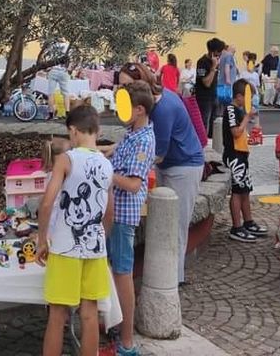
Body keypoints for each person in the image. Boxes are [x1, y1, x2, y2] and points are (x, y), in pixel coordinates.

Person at [37, 105, 114, 356]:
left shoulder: (66, 159)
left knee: (57, 314)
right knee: (90, 313)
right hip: (95, 247)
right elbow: (109, 212)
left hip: (64, 246)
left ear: (73, 130)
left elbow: (46, 203)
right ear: (97, 130)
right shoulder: (106, 164)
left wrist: (42, 240)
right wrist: (102, 239)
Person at [117, 62, 203, 285]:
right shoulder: (149, 104)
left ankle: (172, 281)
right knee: (165, 222)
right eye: (120, 86)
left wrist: (123, 167)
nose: (122, 91)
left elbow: (157, 155)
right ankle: (164, 276)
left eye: (127, 86)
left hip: (184, 166)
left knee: (176, 224)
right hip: (169, 165)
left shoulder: (163, 108)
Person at [104, 80, 156, 356]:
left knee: (123, 274)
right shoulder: (131, 133)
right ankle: (114, 327)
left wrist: (103, 172)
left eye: (124, 105)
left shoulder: (144, 141)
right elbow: (114, 152)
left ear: (139, 110)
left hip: (124, 216)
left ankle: (127, 342)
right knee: (113, 271)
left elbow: (134, 184)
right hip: (113, 212)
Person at [223, 78, 266, 241]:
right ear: (239, 96)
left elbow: (242, 134)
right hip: (233, 155)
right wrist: (247, 118)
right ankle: (236, 226)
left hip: (241, 154)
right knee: (237, 191)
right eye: (249, 97)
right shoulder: (231, 109)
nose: (250, 101)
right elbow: (235, 132)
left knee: (245, 190)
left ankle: (248, 222)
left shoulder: (239, 110)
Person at [194, 38, 224, 142]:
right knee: (204, 124)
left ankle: (212, 145)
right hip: (204, 99)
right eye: (219, 53)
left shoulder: (215, 61)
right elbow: (206, 83)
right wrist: (213, 68)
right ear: (213, 52)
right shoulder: (202, 62)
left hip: (213, 96)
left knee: (214, 125)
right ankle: (201, 144)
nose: (220, 55)